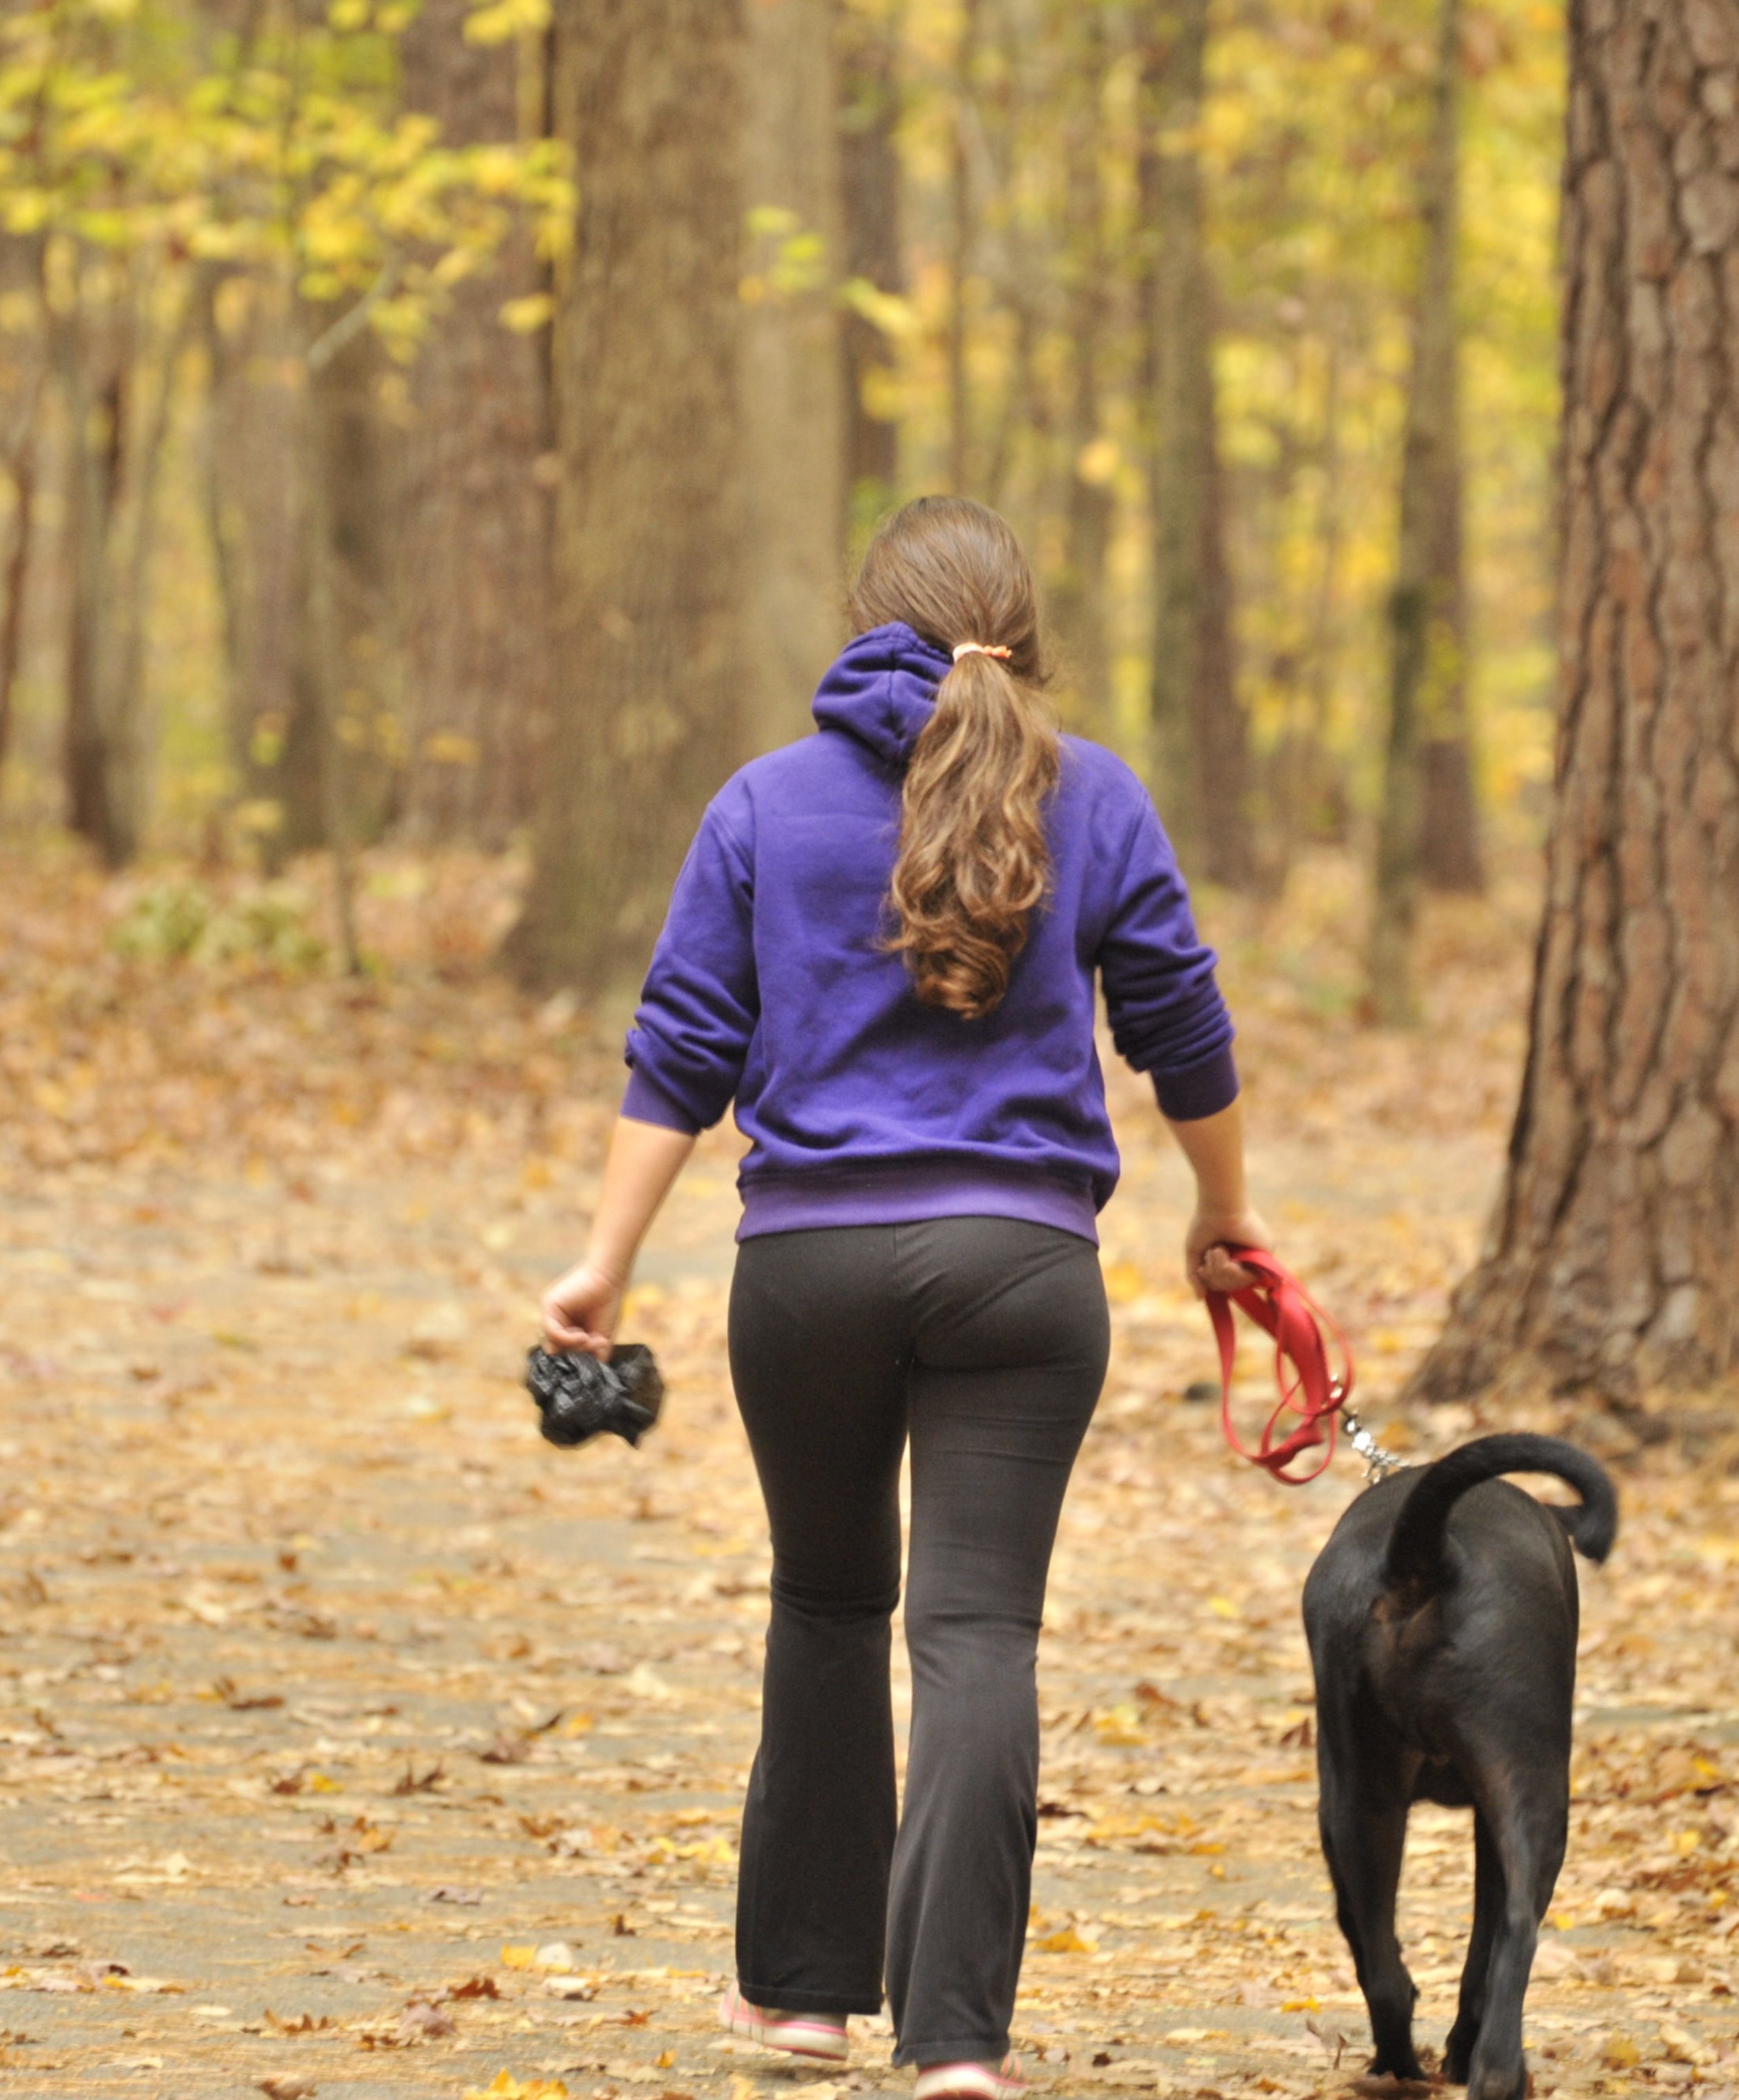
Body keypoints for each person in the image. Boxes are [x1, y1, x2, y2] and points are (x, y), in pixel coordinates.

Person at [538, 497, 1271, 2100]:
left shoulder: (765, 803)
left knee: (827, 1602)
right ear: (1027, 638)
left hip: (806, 1270)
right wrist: (1223, 1216)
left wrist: (602, 1261)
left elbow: (681, 1047)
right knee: (978, 1628)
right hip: (1022, 1269)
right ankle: (956, 2046)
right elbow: (1187, 1032)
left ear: (870, 623)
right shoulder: (1100, 801)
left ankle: (801, 2000)